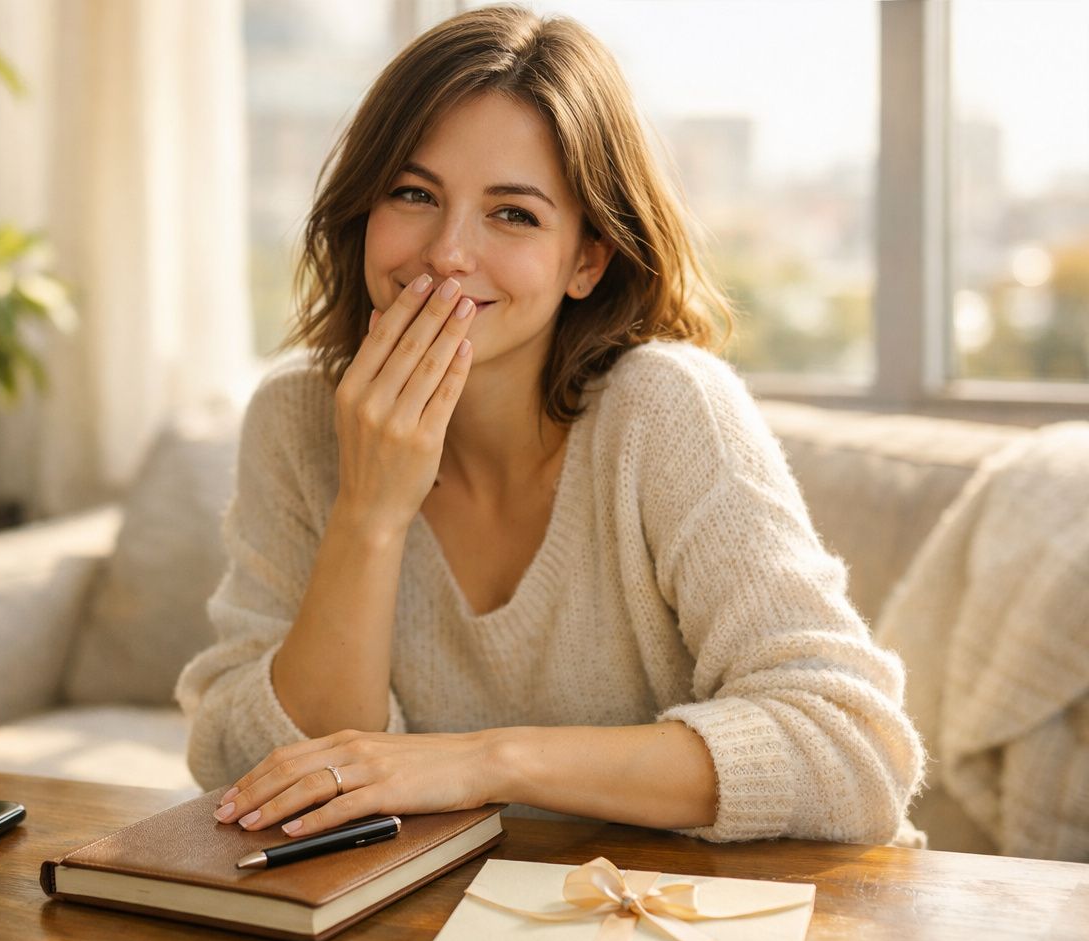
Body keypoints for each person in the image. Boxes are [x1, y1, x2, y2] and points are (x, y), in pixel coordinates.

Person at [174, 4, 924, 845]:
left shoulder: (666, 410)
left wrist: (487, 762)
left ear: (587, 260)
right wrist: (370, 515)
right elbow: (261, 775)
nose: (448, 253)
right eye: (414, 193)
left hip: (701, 930)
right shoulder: (297, 418)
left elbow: (855, 751)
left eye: (513, 214)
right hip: (432, 936)